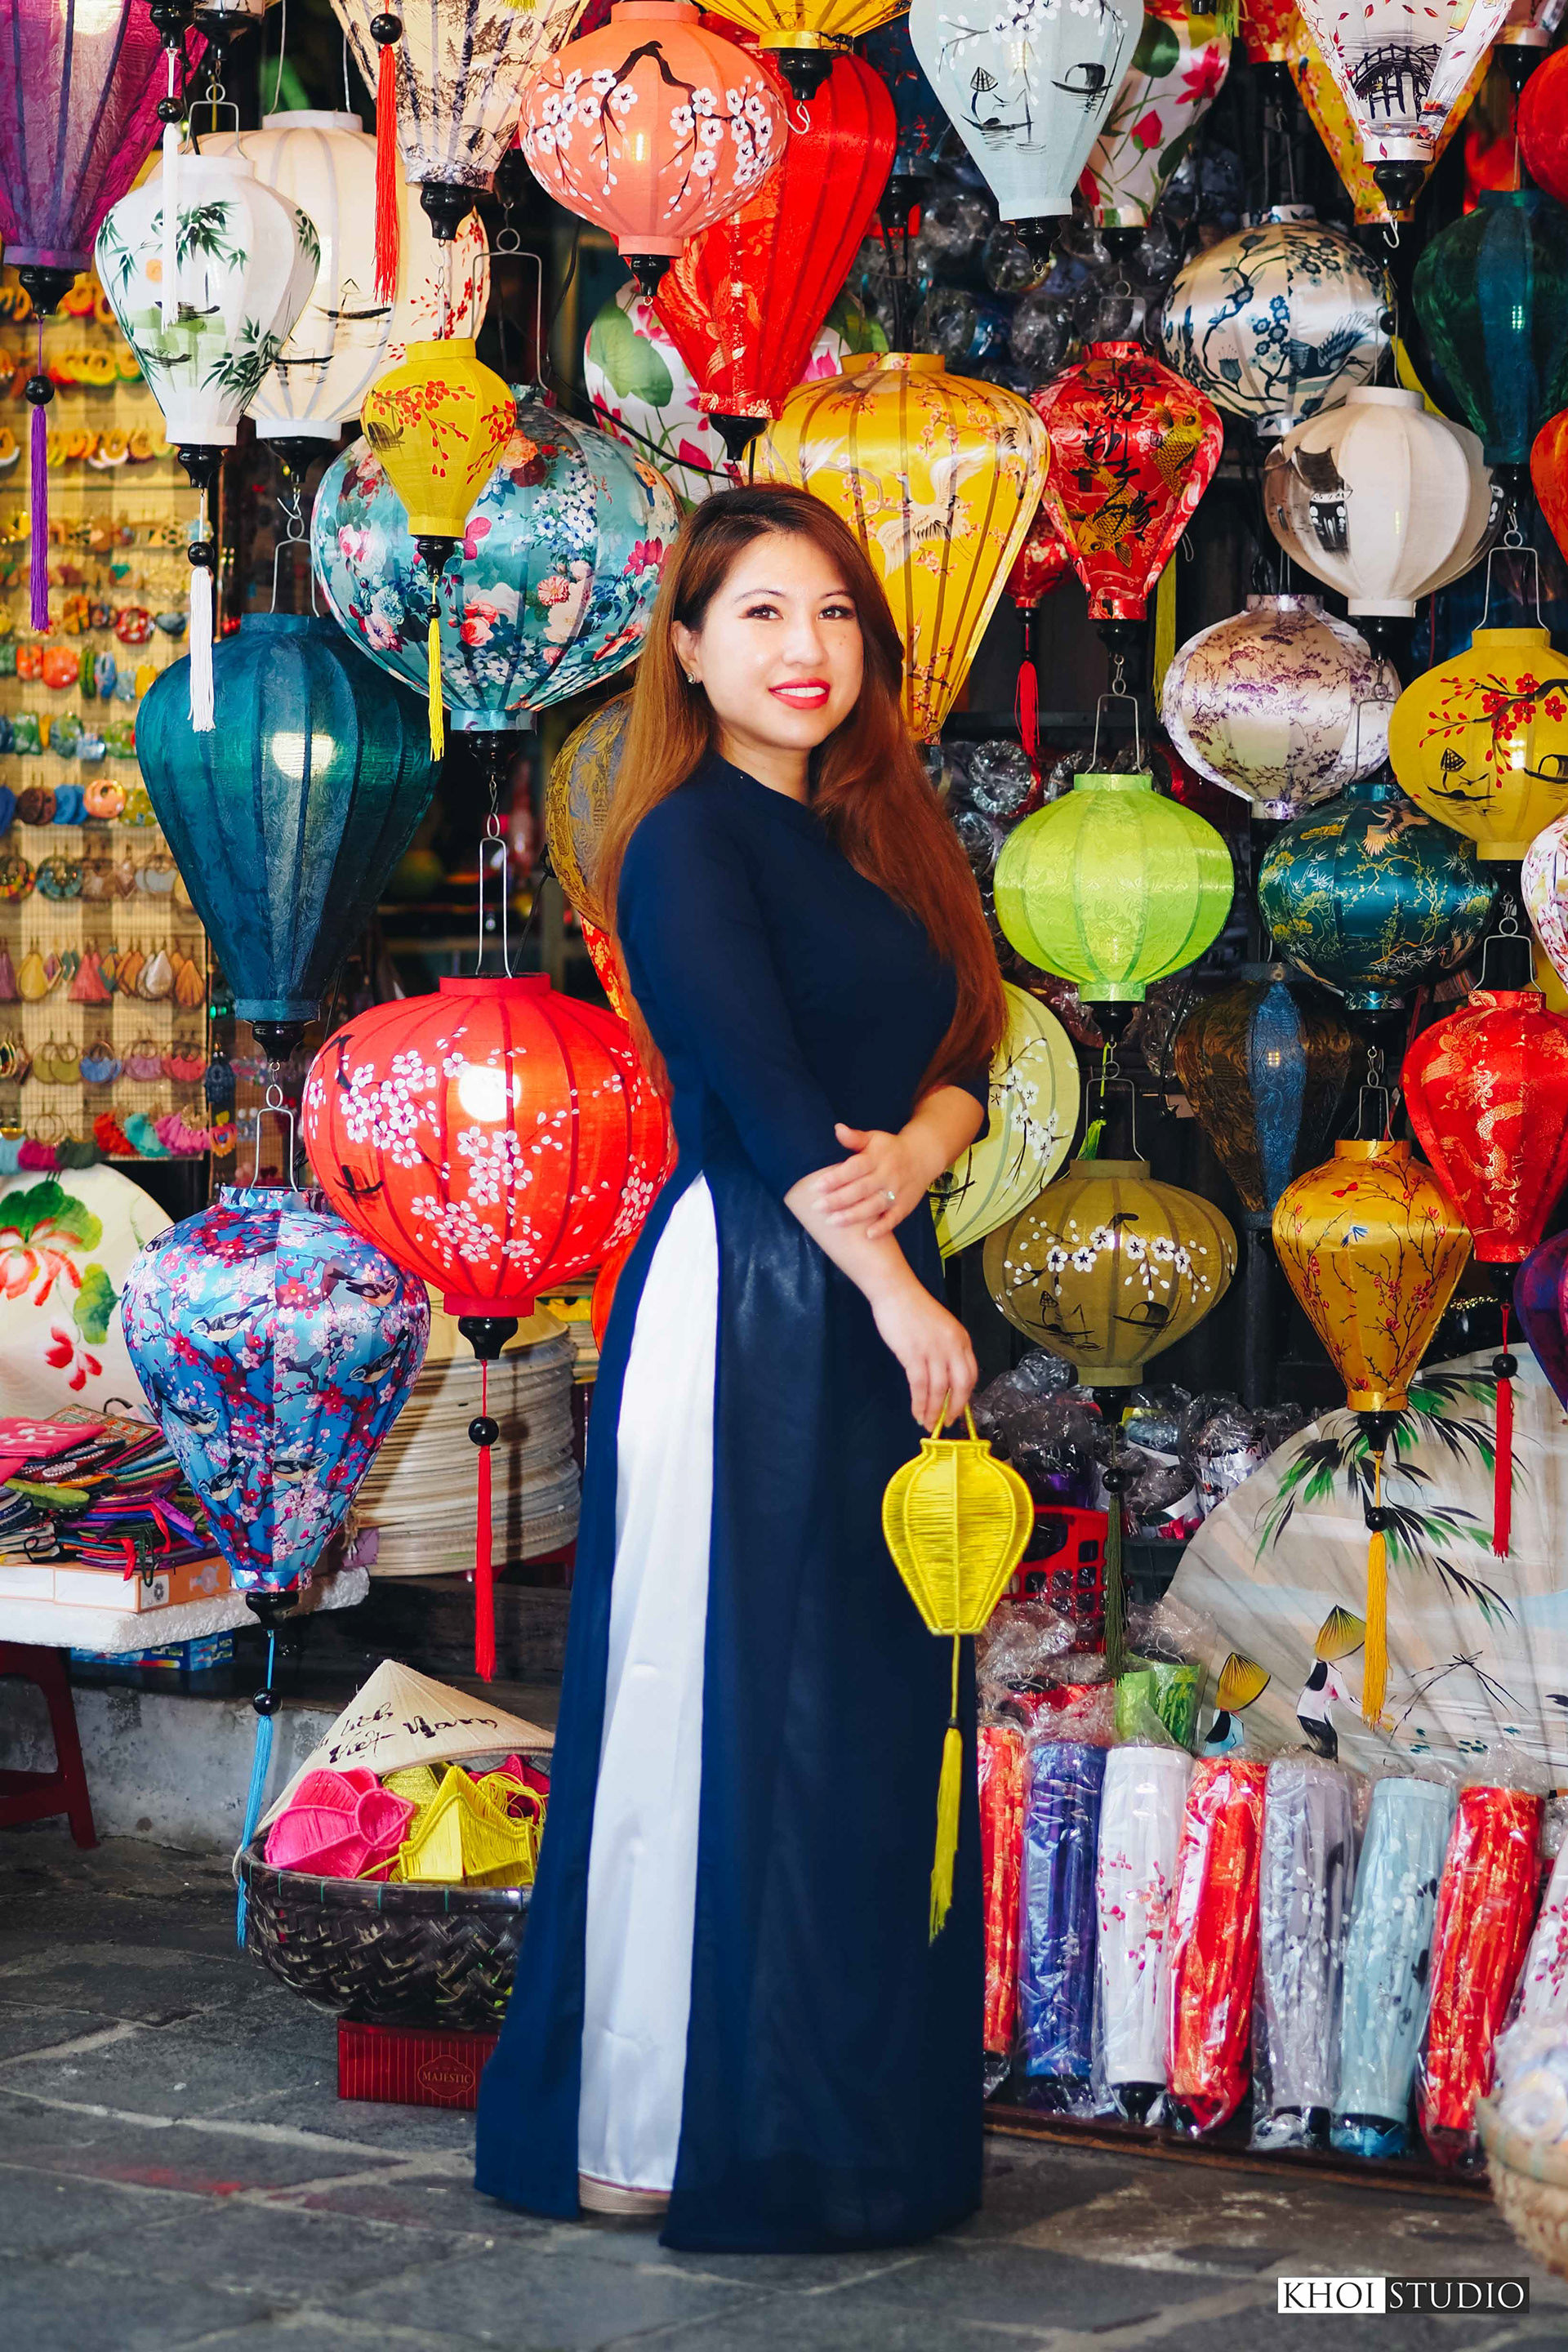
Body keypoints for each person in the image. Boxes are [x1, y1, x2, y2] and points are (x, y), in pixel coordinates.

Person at [475, 483, 1007, 2254]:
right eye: (766, 616)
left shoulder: (882, 835)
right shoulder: (685, 840)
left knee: (862, 1705)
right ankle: (661, 2119)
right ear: (689, 652)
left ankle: (838, 2123)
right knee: (718, 1685)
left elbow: (971, 1049)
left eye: (839, 617)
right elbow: (764, 1100)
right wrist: (898, 1291)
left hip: (872, 1270)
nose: (809, 651)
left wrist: (928, 1158)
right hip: (757, 1291)